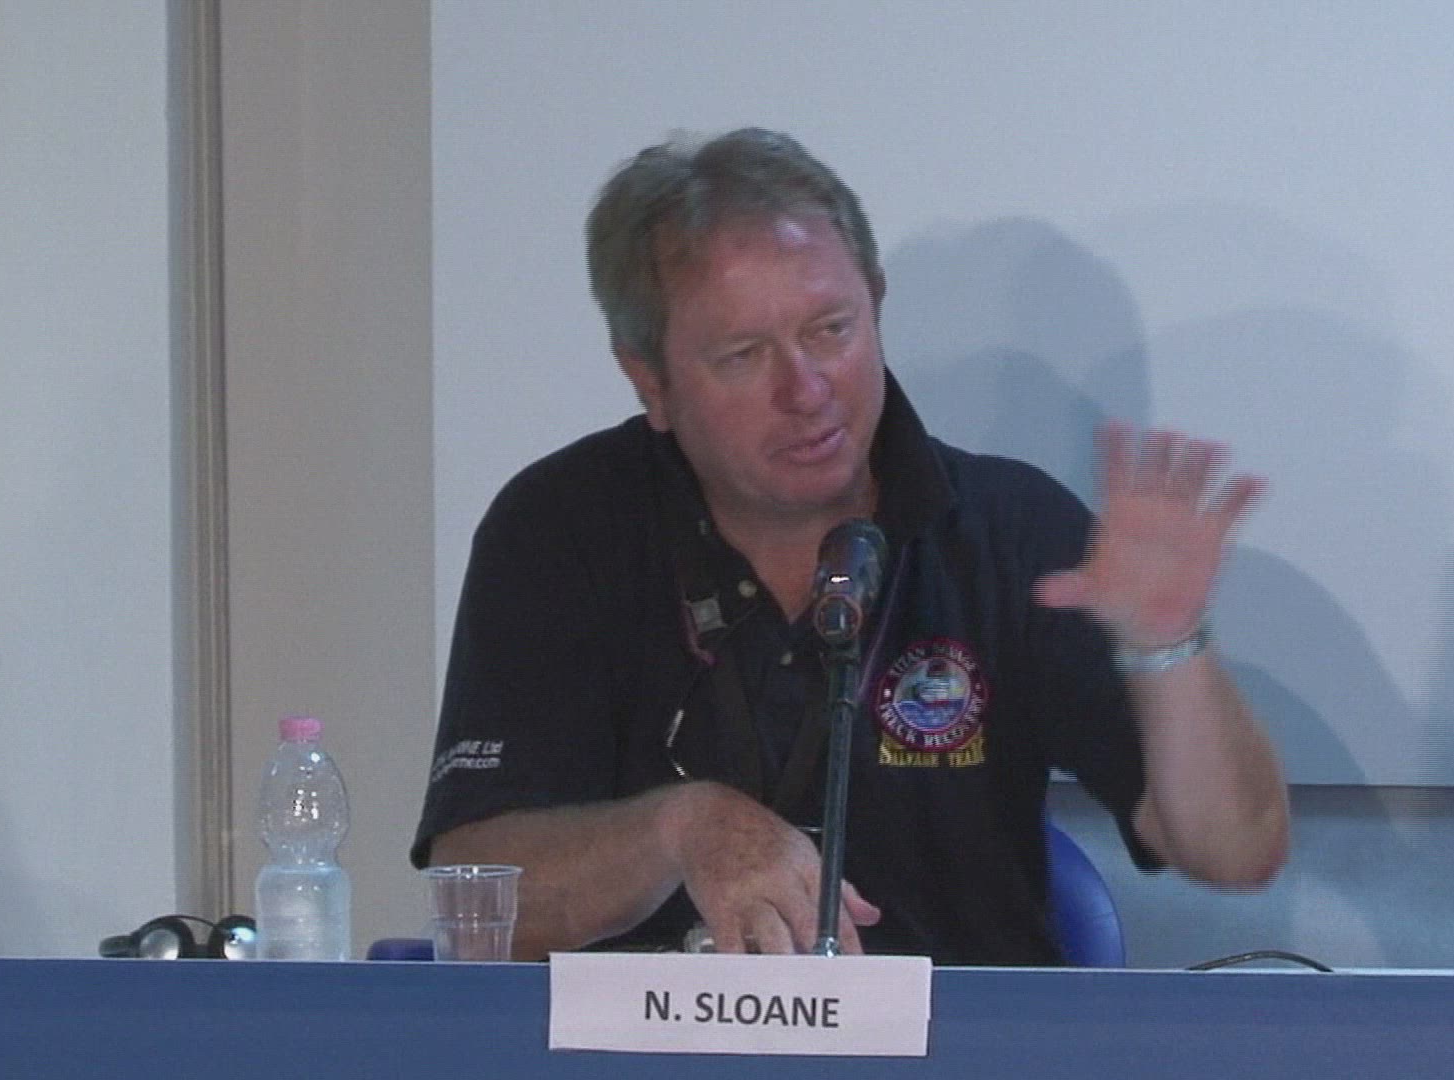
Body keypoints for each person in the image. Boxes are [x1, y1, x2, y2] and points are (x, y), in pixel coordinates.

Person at [412, 128, 1287, 965]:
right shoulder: (561, 530)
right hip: (649, 1046)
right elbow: (477, 897)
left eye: (832, 329)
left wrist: (1169, 647)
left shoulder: (1009, 531)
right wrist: (679, 830)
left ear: (875, 301)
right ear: (651, 379)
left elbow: (1237, 851)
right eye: (744, 354)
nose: (808, 390)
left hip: (960, 1045)